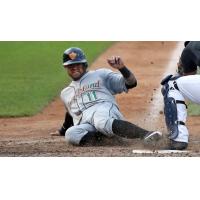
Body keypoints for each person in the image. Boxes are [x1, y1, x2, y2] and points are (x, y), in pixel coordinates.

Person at [50, 47, 162, 146]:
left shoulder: (100, 74)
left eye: (77, 64)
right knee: (71, 134)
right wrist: (63, 130)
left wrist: (122, 68)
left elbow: (131, 83)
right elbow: (70, 113)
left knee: (101, 122)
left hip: (103, 109)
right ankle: (113, 141)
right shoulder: (65, 93)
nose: (74, 68)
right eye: (70, 66)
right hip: (86, 122)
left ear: (84, 64)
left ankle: (147, 134)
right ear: (66, 68)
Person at [161, 41, 200, 150]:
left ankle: (179, 137)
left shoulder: (192, 46)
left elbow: (184, 75)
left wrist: (181, 66)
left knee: (172, 84)